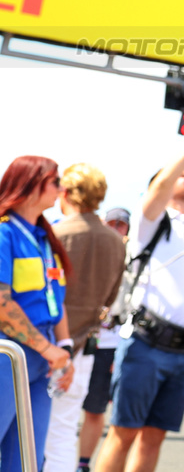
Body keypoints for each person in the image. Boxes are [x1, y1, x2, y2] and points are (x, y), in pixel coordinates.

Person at [97, 109, 184, 472]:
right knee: (122, 433)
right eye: (178, 175)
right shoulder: (152, 222)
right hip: (145, 345)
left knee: (154, 437)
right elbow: (157, 190)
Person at [46, 164, 127, 472]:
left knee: (30, 428)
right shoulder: (114, 241)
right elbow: (110, 297)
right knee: (65, 430)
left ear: (65, 192)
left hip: (48, 344)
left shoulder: (55, 233)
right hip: (87, 345)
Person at [0, 156, 73, 472]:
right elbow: (2, 305)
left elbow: (57, 302)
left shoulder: (46, 239)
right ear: (32, 184)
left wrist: (64, 351)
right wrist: (49, 349)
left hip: (42, 359)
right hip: (8, 354)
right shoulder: (5, 234)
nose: (62, 188)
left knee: (28, 460)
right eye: (56, 181)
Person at [80, 209, 131, 472]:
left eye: (121, 225)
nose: (116, 229)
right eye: (111, 224)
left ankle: (83, 463)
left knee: (95, 408)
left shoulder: (133, 258)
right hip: (78, 339)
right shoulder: (89, 249)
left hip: (109, 343)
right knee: (61, 403)